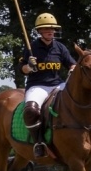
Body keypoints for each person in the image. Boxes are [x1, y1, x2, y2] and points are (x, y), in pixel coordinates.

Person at [20, 13, 76, 159]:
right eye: (46, 29)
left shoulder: (60, 47)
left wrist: (72, 68)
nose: (51, 31)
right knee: (30, 111)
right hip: (37, 86)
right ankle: (38, 142)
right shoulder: (31, 47)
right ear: (39, 31)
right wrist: (29, 66)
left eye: (52, 28)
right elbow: (21, 69)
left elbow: (72, 63)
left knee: (76, 101)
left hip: (58, 85)